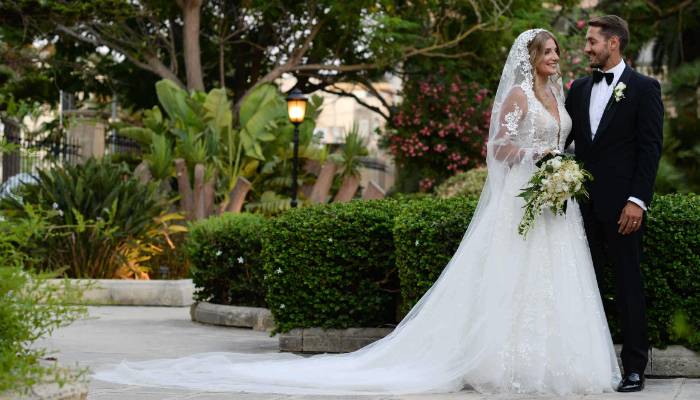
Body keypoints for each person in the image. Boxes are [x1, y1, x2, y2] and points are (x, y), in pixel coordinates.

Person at [94, 29, 621, 395]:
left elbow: (569, 143)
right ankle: (502, 362)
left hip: (553, 205)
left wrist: (563, 170)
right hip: (519, 202)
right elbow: (499, 151)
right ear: (530, 57)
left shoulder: (560, 95)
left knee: (554, 280)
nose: (557, 56)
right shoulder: (517, 100)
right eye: (549, 51)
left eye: (558, 51)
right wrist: (541, 158)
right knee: (513, 279)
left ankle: (557, 363)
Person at [565, 15, 663, 393]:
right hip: (579, 208)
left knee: (628, 286)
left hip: (624, 208)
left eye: (591, 41)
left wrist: (637, 200)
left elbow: (650, 148)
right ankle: (587, 364)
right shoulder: (577, 89)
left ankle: (635, 367)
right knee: (581, 286)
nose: (586, 48)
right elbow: (563, 140)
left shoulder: (644, 88)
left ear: (613, 43)